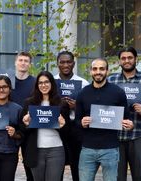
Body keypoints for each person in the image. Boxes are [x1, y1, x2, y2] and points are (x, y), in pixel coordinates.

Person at [107, 47, 141, 181]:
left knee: (139, 176)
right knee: (117, 177)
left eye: (130, 58)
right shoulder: (111, 80)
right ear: (119, 61)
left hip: (139, 136)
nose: (127, 61)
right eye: (123, 58)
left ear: (136, 60)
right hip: (116, 136)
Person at [76, 58, 134, 181]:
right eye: (95, 69)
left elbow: (126, 118)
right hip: (88, 149)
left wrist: (129, 125)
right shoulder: (82, 93)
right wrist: (81, 122)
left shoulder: (118, 92)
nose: (98, 72)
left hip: (110, 149)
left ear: (107, 71)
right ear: (90, 71)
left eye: (102, 69)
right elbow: (77, 121)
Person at [21, 71, 70, 181]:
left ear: (52, 83)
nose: (43, 85)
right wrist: (26, 124)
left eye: (46, 82)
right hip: (36, 151)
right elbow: (22, 130)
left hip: (56, 150)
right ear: (37, 85)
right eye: (40, 83)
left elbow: (68, 132)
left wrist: (62, 125)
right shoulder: (29, 103)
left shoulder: (61, 104)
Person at [53, 51, 89, 181]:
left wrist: (77, 106)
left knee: (77, 167)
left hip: (76, 129)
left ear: (73, 63)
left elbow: (89, 108)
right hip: (57, 129)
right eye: (62, 62)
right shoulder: (52, 82)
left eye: (68, 62)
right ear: (57, 64)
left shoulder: (83, 83)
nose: (65, 64)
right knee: (57, 168)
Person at [11, 51, 36, 181]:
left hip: (29, 128)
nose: (23, 63)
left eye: (26, 61)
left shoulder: (35, 82)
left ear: (30, 64)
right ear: (15, 62)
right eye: (20, 60)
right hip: (11, 128)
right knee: (8, 167)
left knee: (29, 165)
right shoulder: (7, 81)